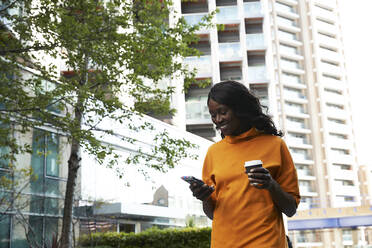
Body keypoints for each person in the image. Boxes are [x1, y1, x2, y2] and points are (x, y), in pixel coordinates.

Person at [189, 81, 300, 248]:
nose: (217, 120)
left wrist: (270, 185)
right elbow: (213, 214)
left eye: (223, 112)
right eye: (213, 115)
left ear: (240, 109)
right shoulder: (214, 152)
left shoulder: (275, 145)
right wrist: (204, 198)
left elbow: (290, 209)